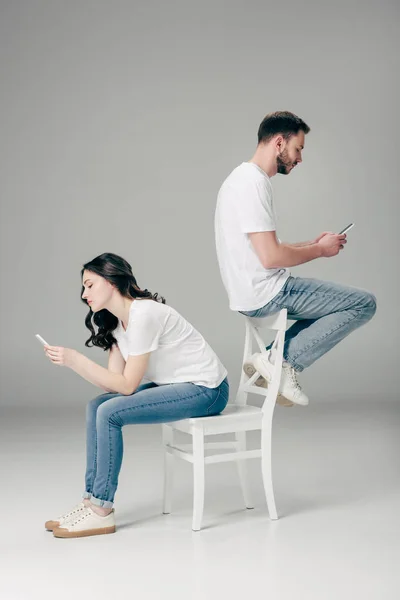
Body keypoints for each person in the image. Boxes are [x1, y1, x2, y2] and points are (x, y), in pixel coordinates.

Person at [43, 252, 229, 538]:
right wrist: (74, 361)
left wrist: (75, 360)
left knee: (109, 413)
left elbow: (128, 386)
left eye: (90, 285)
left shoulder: (144, 313)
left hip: (207, 390)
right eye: (83, 287)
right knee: (98, 406)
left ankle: (102, 510)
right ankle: (90, 501)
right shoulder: (116, 322)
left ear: (112, 281)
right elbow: (113, 385)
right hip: (174, 386)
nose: (84, 294)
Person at [214, 111, 376, 407]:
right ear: (279, 143)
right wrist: (321, 251)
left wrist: (311, 243)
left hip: (247, 293)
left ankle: (272, 359)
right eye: (298, 148)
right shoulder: (254, 183)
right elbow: (270, 257)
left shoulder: (238, 179)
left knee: (333, 308)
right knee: (363, 304)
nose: (299, 158)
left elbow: (262, 248)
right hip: (268, 292)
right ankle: (280, 362)